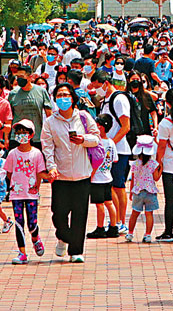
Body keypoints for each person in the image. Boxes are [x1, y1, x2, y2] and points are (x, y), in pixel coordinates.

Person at [41, 82, 100, 263]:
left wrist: (83, 139)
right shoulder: (50, 122)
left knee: (79, 213)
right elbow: (48, 147)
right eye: (59, 95)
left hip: (82, 174)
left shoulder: (83, 117)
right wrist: (51, 167)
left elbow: (96, 138)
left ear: (73, 98)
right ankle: (63, 237)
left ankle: (76, 251)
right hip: (61, 175)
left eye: (66, 95)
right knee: (58, 212)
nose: (63, 98)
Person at [89, 70, 132, 233]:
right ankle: (114, 221)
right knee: (110, 187)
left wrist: (110, 145)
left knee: (118, 186)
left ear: (106, 83)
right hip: (109, 150)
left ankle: (122, 222)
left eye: (97, 86)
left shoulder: (119, 99)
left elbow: (125, 126)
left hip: (119, 150)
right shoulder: (106, 100)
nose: (96, 89)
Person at [4, 119, 48, 265]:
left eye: (24, 133)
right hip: (16, 193)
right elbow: (9, 173)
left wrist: (37, 187)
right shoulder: (12, 154)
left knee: (32, 222)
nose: (21, 136)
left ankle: (35, 238)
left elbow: (40, 172)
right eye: (18, 133)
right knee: (18, 222)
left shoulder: (36, 154)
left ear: (31, 135)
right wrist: (14, 186)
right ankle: (22, 252)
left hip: (31, 194)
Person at [155, 88, 173, 243]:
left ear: (167, 103)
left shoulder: (166, 123)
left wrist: (158, 162)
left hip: (169, 166)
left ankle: (168, 232)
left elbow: (161, 146)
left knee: (170, 200)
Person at [86, 113, 119, 239]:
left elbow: (95, 162)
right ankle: (113, 227)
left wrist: (91, 176)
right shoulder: (111, 142)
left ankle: (100, 228)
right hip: (107, 177)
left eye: (97, 125)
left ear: (102, 127)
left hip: (97, 179)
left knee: (99, 204)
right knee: (109, 203)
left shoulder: (97, 143)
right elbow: (115, 159)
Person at [125, 135, 161, 243]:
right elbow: (156, 178)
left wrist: (131, 191)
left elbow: (133, 179)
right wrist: (161, 168)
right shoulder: (153, 164)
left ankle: (130, 233)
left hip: (138, 191)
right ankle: (148, 235)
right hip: (150, 192)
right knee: (149, 213)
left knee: (134, 213)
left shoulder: (135, 164)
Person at [7, 64, 52, 148]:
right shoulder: (13, 93)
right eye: (17, 76)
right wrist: (6, 138)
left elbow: (49, 114)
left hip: (36, 137)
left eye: (21, 76)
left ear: (29, 77)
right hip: (17, 137)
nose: (19, 79)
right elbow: (9, 117)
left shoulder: (41, 91)